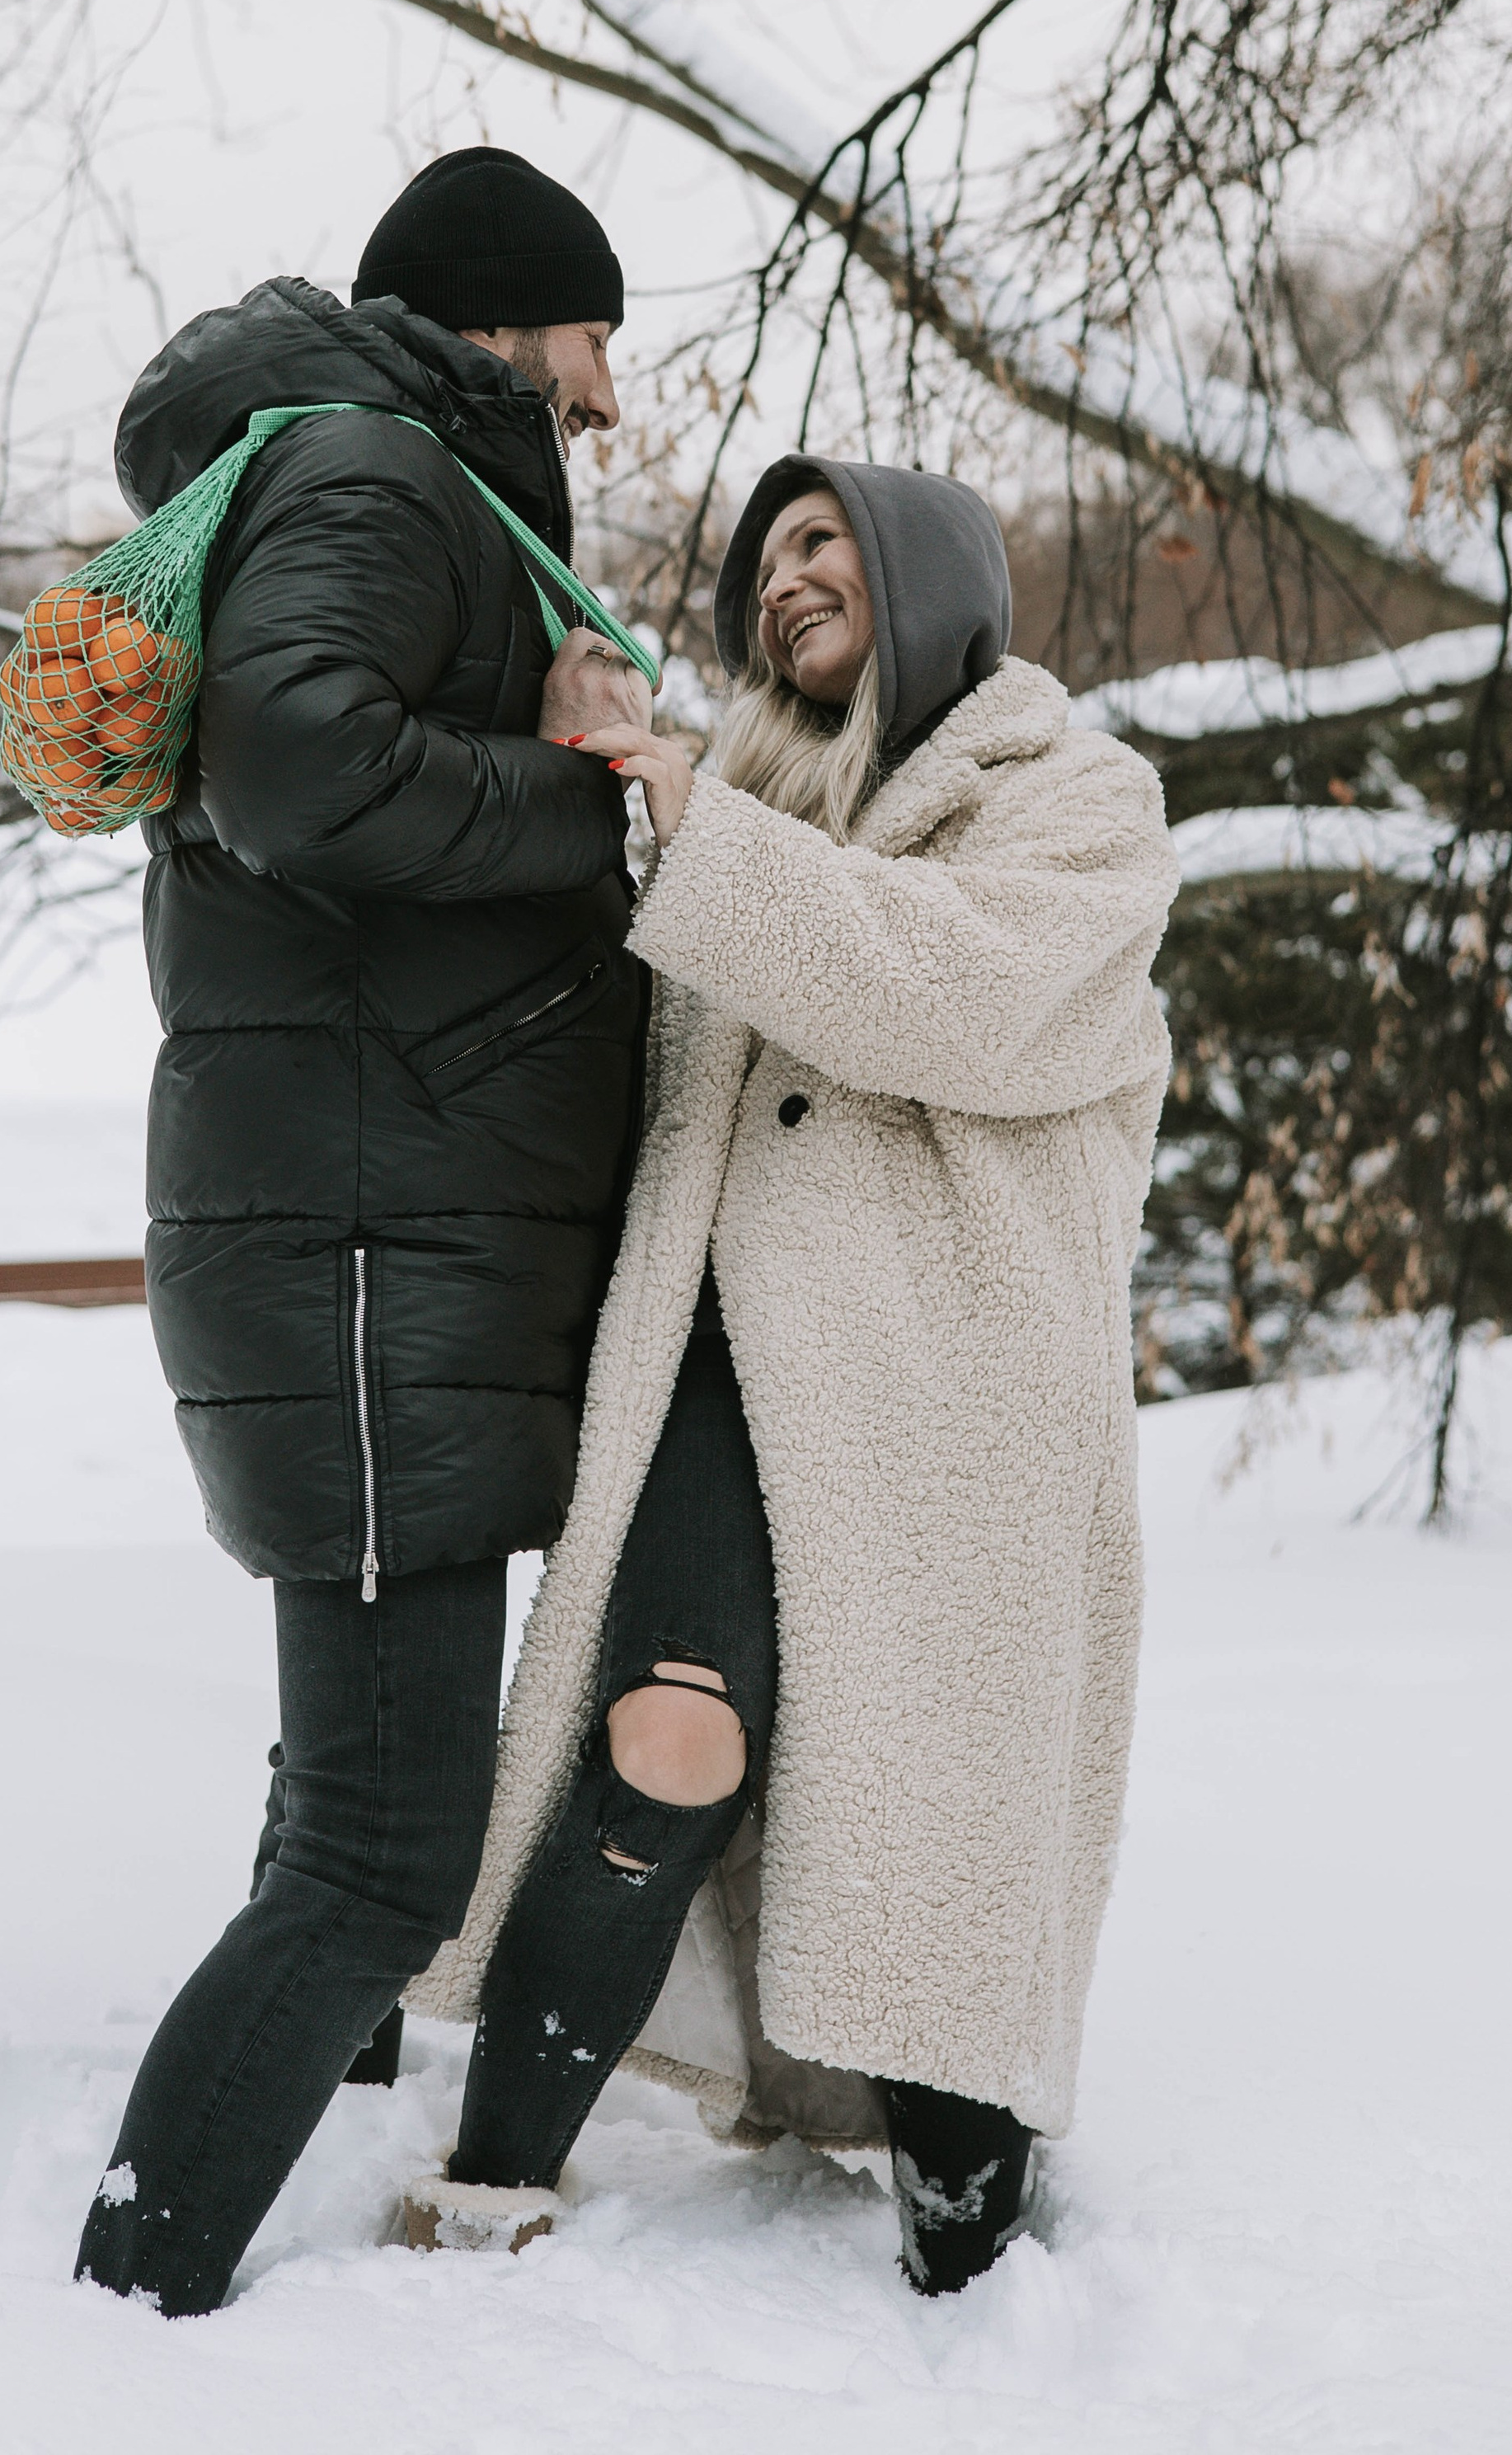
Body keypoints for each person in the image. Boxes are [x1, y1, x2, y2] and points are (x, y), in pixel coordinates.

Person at [410, 453, 1177, 2295]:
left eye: (822, 541)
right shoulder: (728, 797)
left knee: (918, 1812)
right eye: (763, 557)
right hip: (710, 1363)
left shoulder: (1071, 800)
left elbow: (963, 989)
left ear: (924, 576)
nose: (781, 576)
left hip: (951, 1402)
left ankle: (970, 2239)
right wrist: (584, 766)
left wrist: (696, 817)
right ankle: (486, 2195)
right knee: (659, 1741)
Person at [75, 146, 657, 2317]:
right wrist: (586, 800)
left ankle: (273, 2205)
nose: (610, 389)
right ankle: (126, 2307)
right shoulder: (373, 468)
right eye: (596, 331)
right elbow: (303, 768)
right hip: (360, 1255)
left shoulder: (371, 470)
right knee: (377, 1850)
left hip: (368, 1239)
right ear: (510, 313)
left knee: (347, 1800)